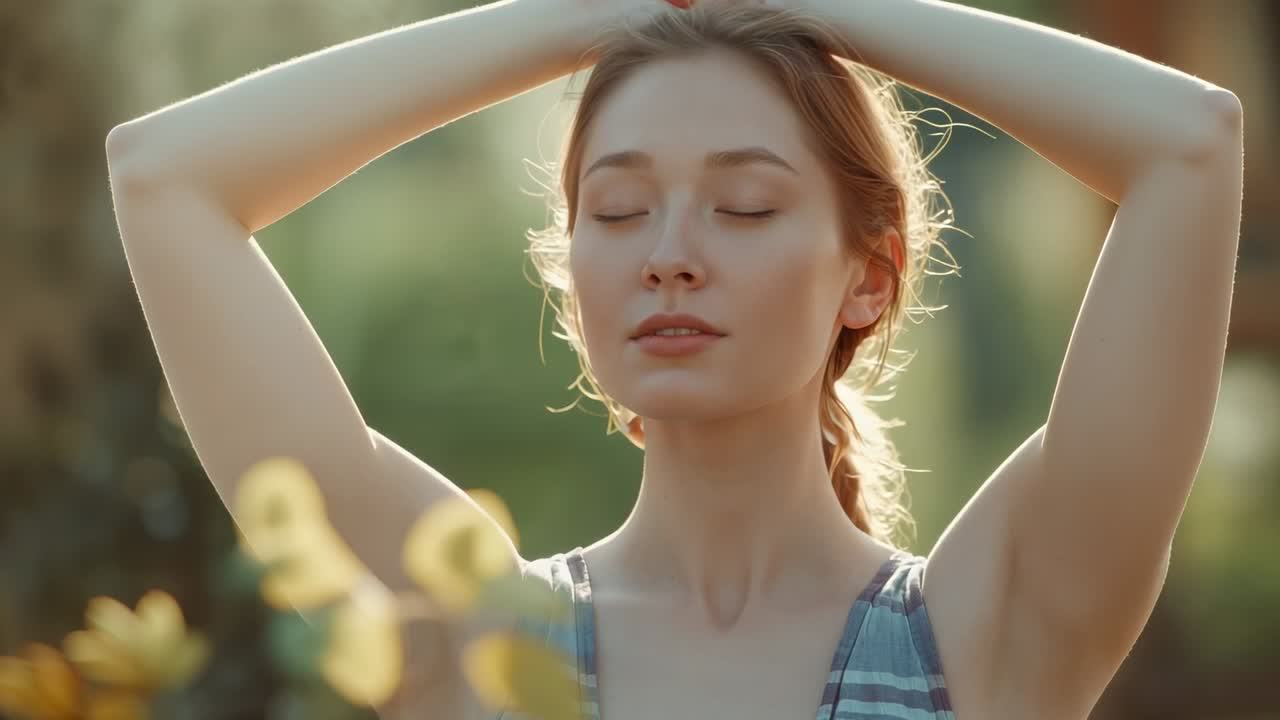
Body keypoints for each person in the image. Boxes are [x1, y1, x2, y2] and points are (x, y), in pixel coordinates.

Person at [104, 0, 1244, 716]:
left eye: (743, 207)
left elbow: (1189, 146)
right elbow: (163, 178)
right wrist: (575, 18)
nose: (668, 256)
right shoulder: (473, 630)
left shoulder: (980, 631)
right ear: (569, 273)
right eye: (616, 209)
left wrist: (815, 8)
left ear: (871, 273)